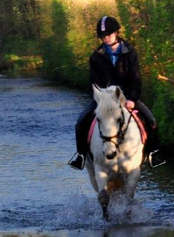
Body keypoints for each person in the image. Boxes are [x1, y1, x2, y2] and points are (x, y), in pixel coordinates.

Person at [68, 15, 160, 170]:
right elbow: (94, 83)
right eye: (103, 36)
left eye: (108, 35)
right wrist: (100, 99)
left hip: (127, 98)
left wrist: (132, 98)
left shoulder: (130, 53)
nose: (106, 38)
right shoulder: (96, 57)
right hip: (103, 100)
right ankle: (82, 156)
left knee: (151, 121)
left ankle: (153, 153)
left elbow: (136, 79)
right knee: (81, 122)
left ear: (117, 33)